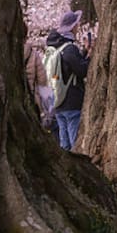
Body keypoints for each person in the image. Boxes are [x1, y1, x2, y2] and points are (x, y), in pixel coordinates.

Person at [47, 10, 90, 151]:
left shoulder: (57, 48)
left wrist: (84, 53)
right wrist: (90, 57)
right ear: (73, 27)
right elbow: (81, 70)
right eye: (77, 24)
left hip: (58, 102)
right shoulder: (70, 48)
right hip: (72, 101)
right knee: (74, 143)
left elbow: (70, 66)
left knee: (64, 144)